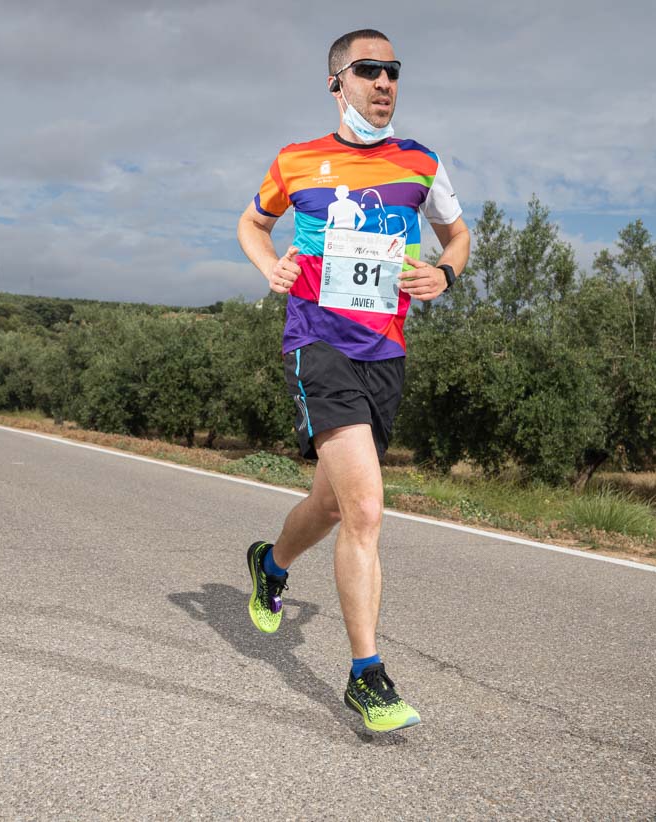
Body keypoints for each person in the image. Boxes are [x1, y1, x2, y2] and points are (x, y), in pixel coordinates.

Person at [236, 29, 470, 732]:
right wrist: (268, 264)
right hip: (318, 344)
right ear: (338, 81)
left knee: (333, 506)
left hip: (386, 351)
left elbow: (457, 235)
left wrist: (445, 272)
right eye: (369, 70)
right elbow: (252, 224)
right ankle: (367, 676)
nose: (385, 82)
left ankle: (270, 563)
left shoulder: (422, 163)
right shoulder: (297, 160)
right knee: (365, 509)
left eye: (393, 71)